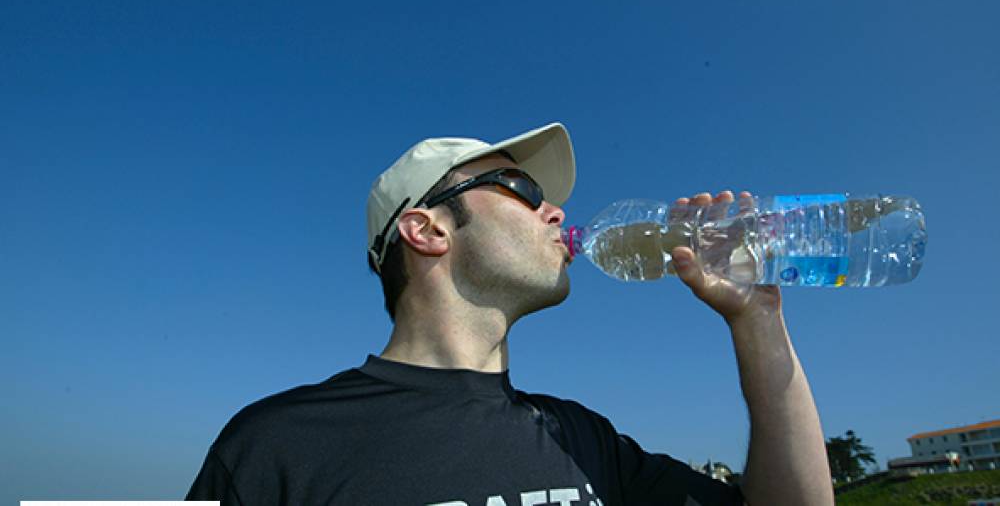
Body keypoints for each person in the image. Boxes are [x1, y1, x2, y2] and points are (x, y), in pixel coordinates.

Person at [186, 122, 834, 505]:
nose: (554, 211)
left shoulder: (580, 438)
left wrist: (758, 322)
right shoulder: (278, 444)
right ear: (426, 229)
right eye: (522, 190)